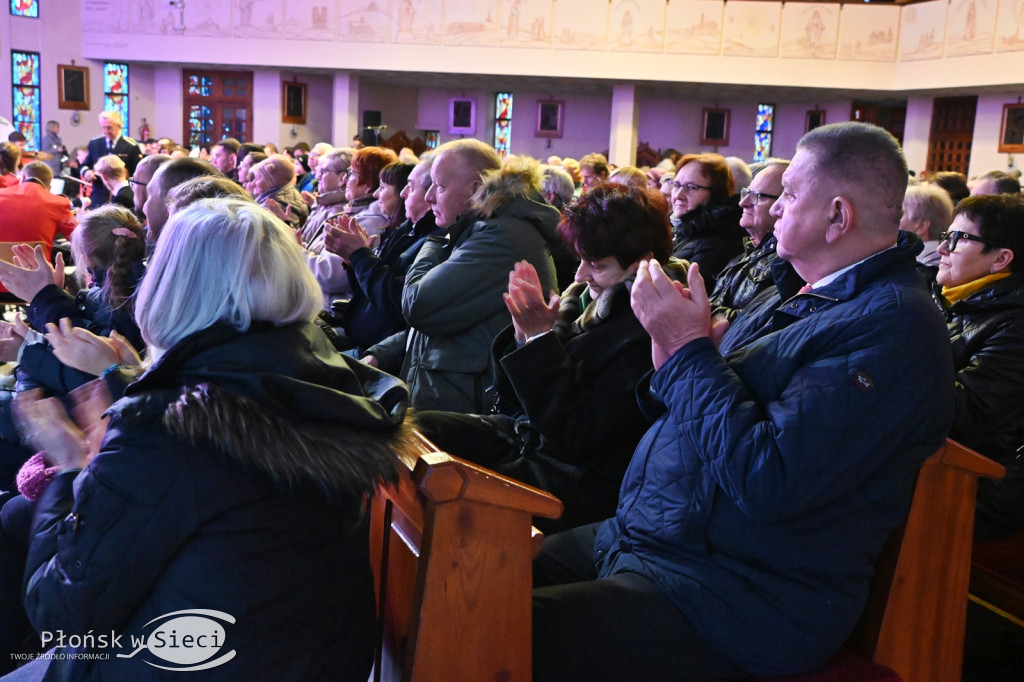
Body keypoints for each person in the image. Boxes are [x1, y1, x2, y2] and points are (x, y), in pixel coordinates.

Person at [531, 122, 955, 681]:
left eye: (790, 196)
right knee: (484, 572)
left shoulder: (892, 329)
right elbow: (680, 407)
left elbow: (768, 480)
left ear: (837, 215)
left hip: (742, 596)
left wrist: (687, 353)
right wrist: (674, 353)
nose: (774, 210)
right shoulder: (797, 289)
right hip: (663, 537)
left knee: (495, 626)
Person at [15, 198, 412, 680]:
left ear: (172, 288)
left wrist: (71, 461)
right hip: (306, 655)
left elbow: (59, 610)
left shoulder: (168, 430)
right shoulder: (321, 377)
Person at [417, 183, 686, 533]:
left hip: (575, 477)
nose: (579, 275)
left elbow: (577, 435)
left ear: (643, 263)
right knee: (419, 431)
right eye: (581, 260)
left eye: (595, 264)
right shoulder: (584, 300)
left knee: (446, 495)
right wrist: (523, 336)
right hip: (532, 439)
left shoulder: (648, 324)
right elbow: (514, 400)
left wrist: (539, 340)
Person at [364, 144, 559, 413]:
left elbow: (418, 305)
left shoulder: (501, 239)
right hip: (448, 396)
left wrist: (435, 240)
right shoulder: (481, 229)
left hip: (464, 409)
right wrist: (384, 352)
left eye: (440, 187)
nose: (430, 197)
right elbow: (452, 319)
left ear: (474, 189)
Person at [930, 194, 1024, 541]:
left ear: (1001, 258)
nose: (942, 249)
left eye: (958, 239)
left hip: (978, 484)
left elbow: (963, 412)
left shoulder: (1015, 327)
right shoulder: (948, 298)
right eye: (946, 236)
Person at [326, 158, 440, 354]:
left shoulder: (436, 241)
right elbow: (372, 296)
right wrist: (354, 263)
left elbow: (398, 303)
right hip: (363, 338)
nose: (404, 194)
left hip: (379, 349)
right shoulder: (408, 228)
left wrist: (361, 256)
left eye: (410, 188)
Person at [709, 159, 787, 320]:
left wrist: (697, 311)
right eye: (746, 193)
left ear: (784, 205)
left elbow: (753, 324)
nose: (742, 202)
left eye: (756, 196)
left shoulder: (786, 265)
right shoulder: (746, 250)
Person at [670, 153, 746, 291]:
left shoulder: (716, 244)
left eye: (692, 187)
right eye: (676, 185)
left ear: (716, 194)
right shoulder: (682, 228)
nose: (678, 195)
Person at [0, 162, 76, 299]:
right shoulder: (58, 202)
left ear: (22, 177)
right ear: (49, 186)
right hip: (38, 289)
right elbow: (79, 238)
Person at [79, 111, 143, 208]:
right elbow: (84, 165)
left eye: (109, 127)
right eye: (103, 127)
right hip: (99, 194)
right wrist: (87, 172)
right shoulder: (95, 143)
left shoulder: (131, 146)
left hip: (122, 196)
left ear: (119, 126)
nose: (106, 131)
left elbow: (138, 174)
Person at [900, 183, 953, 275]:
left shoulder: (928, 267)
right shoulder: (915, 258)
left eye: (900, 213)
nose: (891, 218)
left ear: (922, 226)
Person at [251, 153, 309, 230]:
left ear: (271, 181)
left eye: (258, 178)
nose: (253, 183)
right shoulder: (286, 193)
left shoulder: (276, 206)